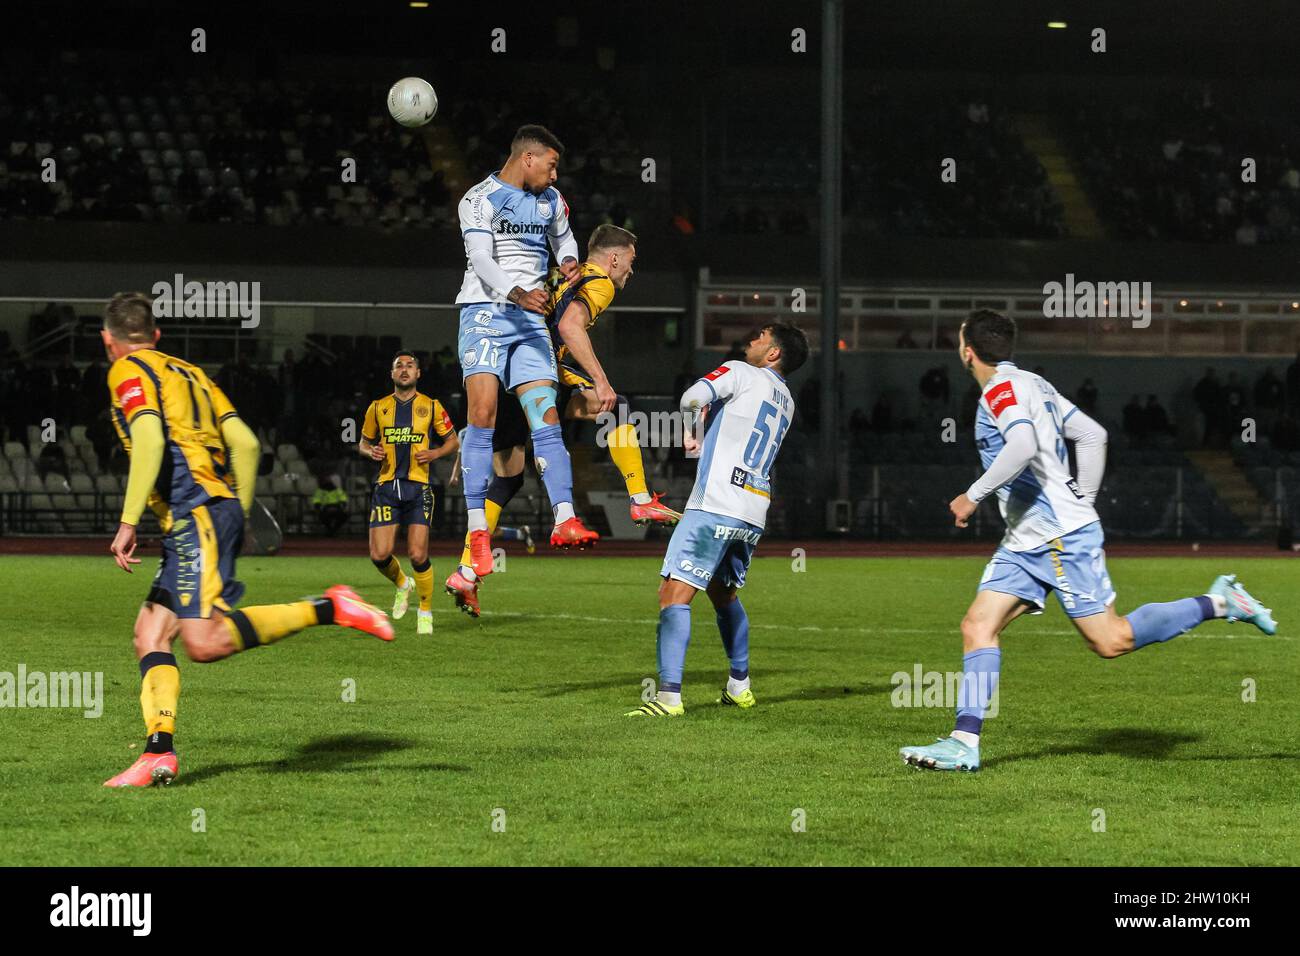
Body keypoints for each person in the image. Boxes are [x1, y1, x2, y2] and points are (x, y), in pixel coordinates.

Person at [899, 311, 1277, 773]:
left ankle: (1220, 602)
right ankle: (964, 742)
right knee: (977, 624)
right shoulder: (1034, 384)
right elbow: (1093, 434)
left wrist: (972, 496)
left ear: (967, 350)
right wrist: (1084, 497)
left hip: (1059, 536)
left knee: (1110, 640)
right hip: (1027, 538)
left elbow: (1020, 447)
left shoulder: (1000, 389)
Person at [99, 293, 392, 789]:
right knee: (150, 634)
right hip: (208, 512)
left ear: (109, 341)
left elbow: (148, 440)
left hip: (195, 515)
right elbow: (247, 443)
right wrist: (239, 510)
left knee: (203, 642)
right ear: (157, 335)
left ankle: (331, 607)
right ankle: (158, 754)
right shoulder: (193, 374)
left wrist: (128, 523)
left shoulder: (128, 371)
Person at [444, 224, 681, 616]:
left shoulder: (561, 272)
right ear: (615, 257)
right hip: (535, 368)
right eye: (631, 262)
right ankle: (639, 500)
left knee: (508, 476)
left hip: (500, 371)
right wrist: (601, 380)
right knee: (614, 404)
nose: (631, 271)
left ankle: (467, 572)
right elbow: (569, 326)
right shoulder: (598, 281)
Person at [626, 323, 810, 717]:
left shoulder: (740, 372)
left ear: (774, 353)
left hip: (715, 504)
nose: (752, 340)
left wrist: (692, 432)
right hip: (753, 509)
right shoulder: (788, 401)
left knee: (673, 593)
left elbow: (692, 397)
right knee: (723, 594)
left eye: (761, 336)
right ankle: (739, 686)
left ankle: (669, 698)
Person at [453, 123, 599, 586]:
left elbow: (566, 240)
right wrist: (517, 293)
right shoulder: (478, 198)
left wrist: (570, 260)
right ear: (528, 158)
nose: (555, 176)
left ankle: (564, 518)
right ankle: (478, 533)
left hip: (530, 320)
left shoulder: (551, 202)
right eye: (552, 165)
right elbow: (480, 259)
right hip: (485, 312)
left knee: (546, 417)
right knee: (483, 414)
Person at [358, 350, 459, 635]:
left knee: (417, 553)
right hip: (386, 488)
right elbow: (363, 443)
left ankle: (425, 609)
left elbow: (453, 441)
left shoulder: (432, 406)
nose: (404, 369)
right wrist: (371, 451)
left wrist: (436, 452)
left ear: (418, 374)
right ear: (392, 374)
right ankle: (403, 584)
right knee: (379, 555)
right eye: (398, 366)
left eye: (410, 366)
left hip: (418, 489)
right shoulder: (377, 407)